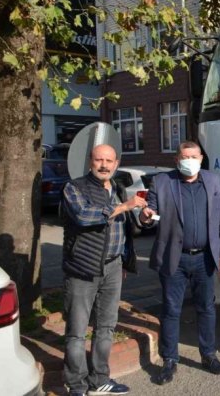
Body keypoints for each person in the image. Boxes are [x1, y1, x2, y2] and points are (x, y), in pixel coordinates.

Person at [140, 141, 220, 385]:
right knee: (171, 310)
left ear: (201, 159)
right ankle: (170, 360)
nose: (189, 160)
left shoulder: (214, 181)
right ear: (176, 160)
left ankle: (208, 355)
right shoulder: (162, 182)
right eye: (184, 156)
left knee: (206, 308)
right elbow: (150, 214)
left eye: (193, 156)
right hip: (174, 258)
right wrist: (145, 216)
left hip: (205, 258)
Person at [61, 144, 146, 396]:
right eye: (99, 160)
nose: (104, 165)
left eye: (109, 161)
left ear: (116, 163)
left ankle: (99, 379)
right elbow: (84, 216)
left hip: (113, 267)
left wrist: (143, 217)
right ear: (90, 161)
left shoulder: (117, 188)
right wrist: (124, 206)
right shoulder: (74, 187)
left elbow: (125, 226)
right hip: (83, 268)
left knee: (106, 327)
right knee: (76, 332)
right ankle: (76, 385)